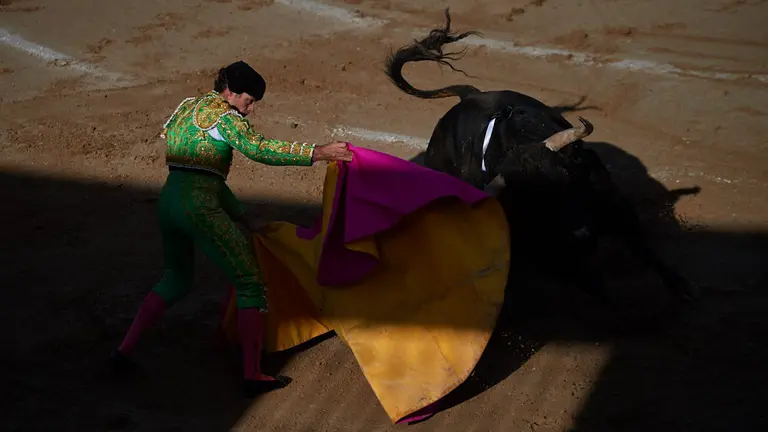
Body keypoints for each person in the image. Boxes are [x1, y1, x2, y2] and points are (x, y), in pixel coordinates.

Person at [109, 60, 353, 396]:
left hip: (169, 202)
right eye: (248, 101)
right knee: (250, 281)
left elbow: (199, 173)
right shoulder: (224, 116)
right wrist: (317, 152)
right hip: (199, 209)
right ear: (230, 92)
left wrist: (242, 215)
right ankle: (252, 373)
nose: (249, 110)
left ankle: (122, 352)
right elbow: (258, 149)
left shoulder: (187, 107)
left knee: (175, 279)